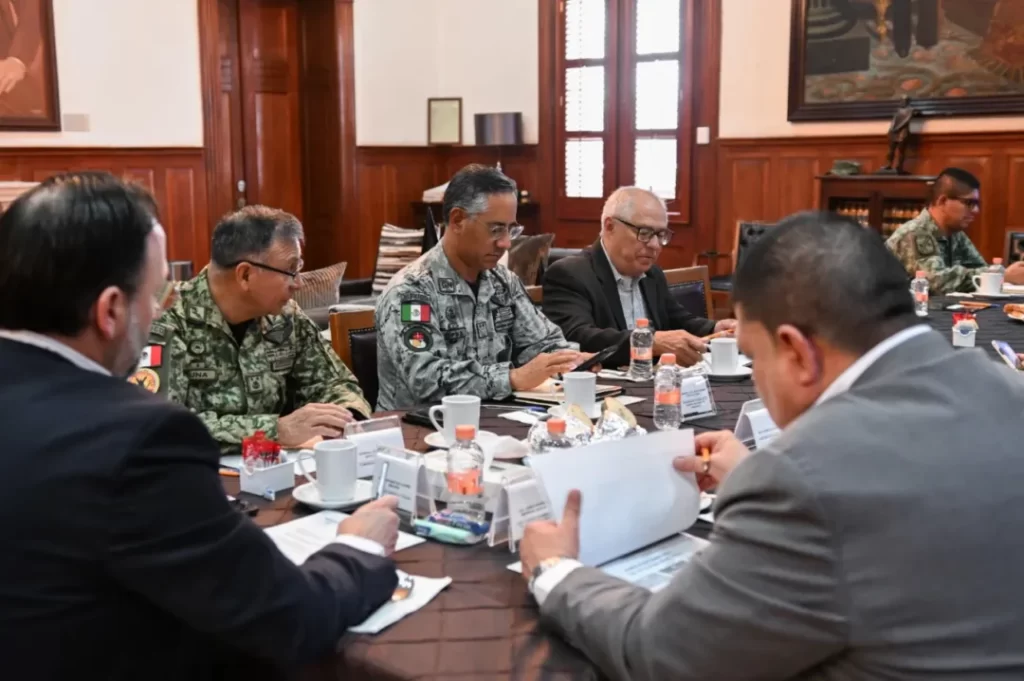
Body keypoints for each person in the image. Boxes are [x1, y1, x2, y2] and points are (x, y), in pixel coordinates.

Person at [520, 211, 1024, 680]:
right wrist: (755, 476)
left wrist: (556, 571)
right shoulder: (1006, 386)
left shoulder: (804, 477)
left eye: (753, 357)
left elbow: (665, 653)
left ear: (797, 353)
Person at [0, 173, 402, 680]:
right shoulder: (139, 438)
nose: (161, 308)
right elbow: (291, 618)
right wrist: (359, 546)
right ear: (110, 310)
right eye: (156, 293)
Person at [143, 205, 370, 453]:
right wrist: (275, 431)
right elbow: (160, 425)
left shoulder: (285, 317)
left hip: (282, 467)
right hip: (197, 469)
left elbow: (336, 383)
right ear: (245, 275)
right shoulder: (165, 316)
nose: (298, 283)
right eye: (290, 270)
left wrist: (344, 419)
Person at [376, 164, 585, 410]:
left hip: (496, 416)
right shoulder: (411, 291)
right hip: (422, 424)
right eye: (496, 229)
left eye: (511, 229)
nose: (506, 243)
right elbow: (426, 380)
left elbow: (544, 343)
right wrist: (512, 378)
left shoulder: (502, 281)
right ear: (457, 220)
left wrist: (571, 361)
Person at [542, 187, 736, 368]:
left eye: (660, 235)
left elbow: (677, 320)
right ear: (610, 227)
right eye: (644, 233)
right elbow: (578, 338)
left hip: (654, 379)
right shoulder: (570, 274)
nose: (655, 245)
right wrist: (649, 342)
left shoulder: (652, 274)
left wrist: (716, 328)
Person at [886, 167, 1024, 293]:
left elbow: (979, 269)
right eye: (969, 203)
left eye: (977, 204)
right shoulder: (914, 233)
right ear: (942, 201)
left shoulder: (956, 234)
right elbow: (937, 282)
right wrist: (1002, 276)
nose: (976, 210)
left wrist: (1005, 274)